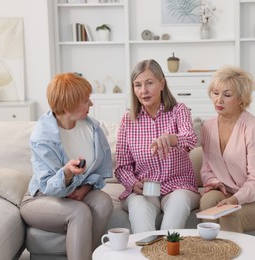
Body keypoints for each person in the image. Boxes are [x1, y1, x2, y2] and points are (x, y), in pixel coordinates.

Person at [20, 73, 113, 259]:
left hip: (75, 195)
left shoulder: (93, 129)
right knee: (78, 212)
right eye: (86, 101)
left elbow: (102, 169)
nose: (91, 105)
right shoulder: (42, 137)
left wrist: (85, 188)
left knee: (103, 202)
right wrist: (67, 172)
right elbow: (48, 185)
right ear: (67, 106)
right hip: (41, 198)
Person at [199, 66, 255, 232]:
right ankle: (209, 252)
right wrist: (215, 183)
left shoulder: (253, 128)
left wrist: (235, 199)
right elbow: (207, 167)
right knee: (206, 202)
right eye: (215, 92)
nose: (218, 100)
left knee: (230, 216)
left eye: (227, 95)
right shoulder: (207, 127)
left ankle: (230, 256)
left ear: (241, 99)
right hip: (229, 190)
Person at [115, 59, 200, 233]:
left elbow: (190, 139)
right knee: (138, 207)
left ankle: (167, 253)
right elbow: (122, 167)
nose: (143, 91)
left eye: (149, 83)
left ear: (162, 83)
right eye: (137, 85)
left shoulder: (179, 110)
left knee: (178, 204)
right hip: (145, 190)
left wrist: (171, 139)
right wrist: (133, 183)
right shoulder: (128, 120)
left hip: (179, 186)